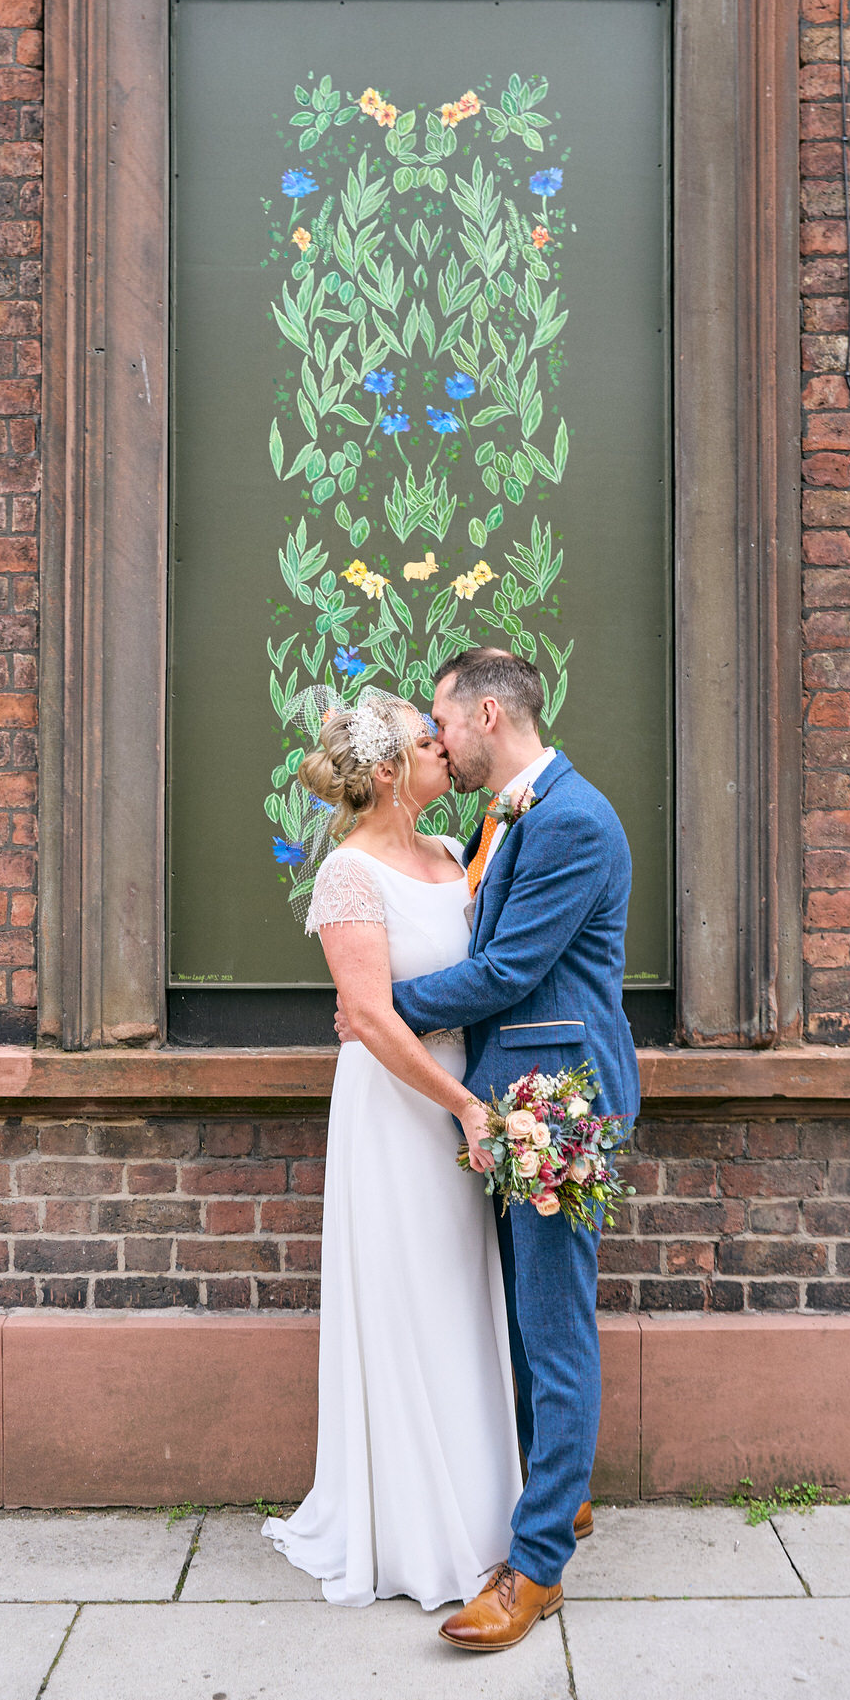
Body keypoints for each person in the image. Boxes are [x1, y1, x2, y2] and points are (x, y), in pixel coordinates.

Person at [362, 647, 641, 1652]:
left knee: (553, 1325)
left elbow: (510, 968)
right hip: (508, 1094)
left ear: (488, 713)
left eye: (443, 723)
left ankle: (534, 1571)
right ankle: (559, 1501)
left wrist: (379, 1008)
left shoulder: (568, 818)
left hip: (555, 1098)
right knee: (525, 1319)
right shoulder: (506, 811)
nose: (437, 743)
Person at [262, 687, 522, 1610]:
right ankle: (413, 1531)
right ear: (387, 772)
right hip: (402, 1111)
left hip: (461, 1105)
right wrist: (461, 1104)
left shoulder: (455, 853)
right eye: (425, 740)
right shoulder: (347, 876)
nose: (443, 748)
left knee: (459, 1293)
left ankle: (492, 1511)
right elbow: (368, 1016)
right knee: (408, 1296)